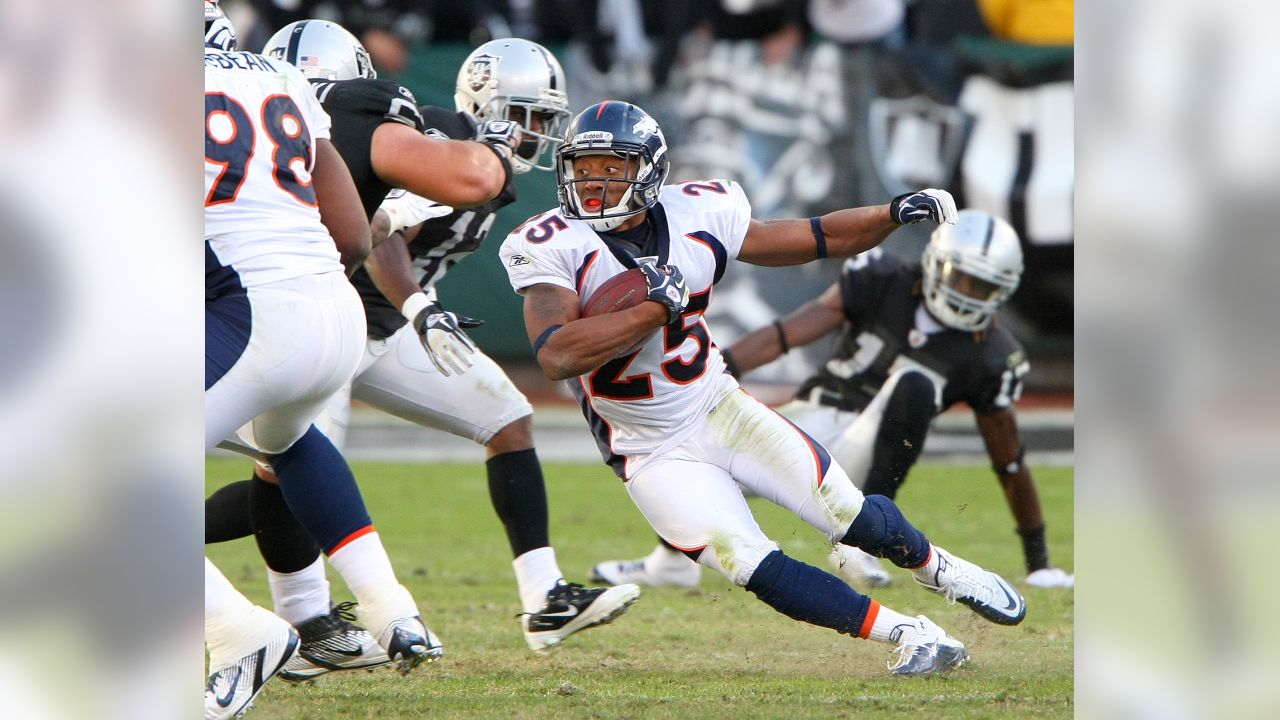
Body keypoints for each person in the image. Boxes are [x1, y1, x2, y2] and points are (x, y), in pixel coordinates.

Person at [498, 100, 1027, 677]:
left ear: (648, 171)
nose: (594, 182)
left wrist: (893, 211)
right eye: (584, 166)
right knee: (748, 562)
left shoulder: (699, 211)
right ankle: (910, 633)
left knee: (846, 512)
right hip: (647, 448)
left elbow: (815, 237)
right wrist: (652, 310)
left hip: (717, 406)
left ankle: (940, 568)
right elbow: (556, 354)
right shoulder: (550, 242)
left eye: (612, 166)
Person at [204, 35, 639, 681]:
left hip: (352, 323)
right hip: (338, 316)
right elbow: (379, 239)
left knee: (505, 417)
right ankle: (304, 619)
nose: (535, 134)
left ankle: (544, 596)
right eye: (524, 117)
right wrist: (418, 306)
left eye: (542, 120)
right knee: (289, 470)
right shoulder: (430, 140)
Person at [590, 210, 1074, 591]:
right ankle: (669, 563)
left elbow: (1009, 460)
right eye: (961, 278)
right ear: (934, 262)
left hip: (871, 452)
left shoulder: (991, 355)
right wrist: (715, 372)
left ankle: (859, 544)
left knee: (914, 386)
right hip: (815, 421)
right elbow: (790, 332)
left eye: (983, 288)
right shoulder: (884, 277)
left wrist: (1038, 561)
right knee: (704, 452)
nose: (968, 296)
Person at [204, 28, 437, 718]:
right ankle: (391, 610)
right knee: (288, 443)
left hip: (253, 315)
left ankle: (236, 631)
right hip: (334, 313)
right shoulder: (280, 78)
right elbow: (352, 236)